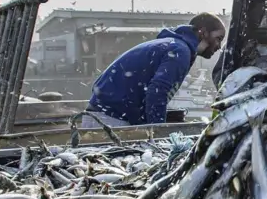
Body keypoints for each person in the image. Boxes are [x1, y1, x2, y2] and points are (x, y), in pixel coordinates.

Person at [85, 13, 226, 127]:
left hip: (103, 116)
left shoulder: (173, 45)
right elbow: (157, 92)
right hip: (110, 120)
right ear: (203, 33)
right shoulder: (180, 51)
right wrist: (158, 132)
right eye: (218, 38)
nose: (219, 46)